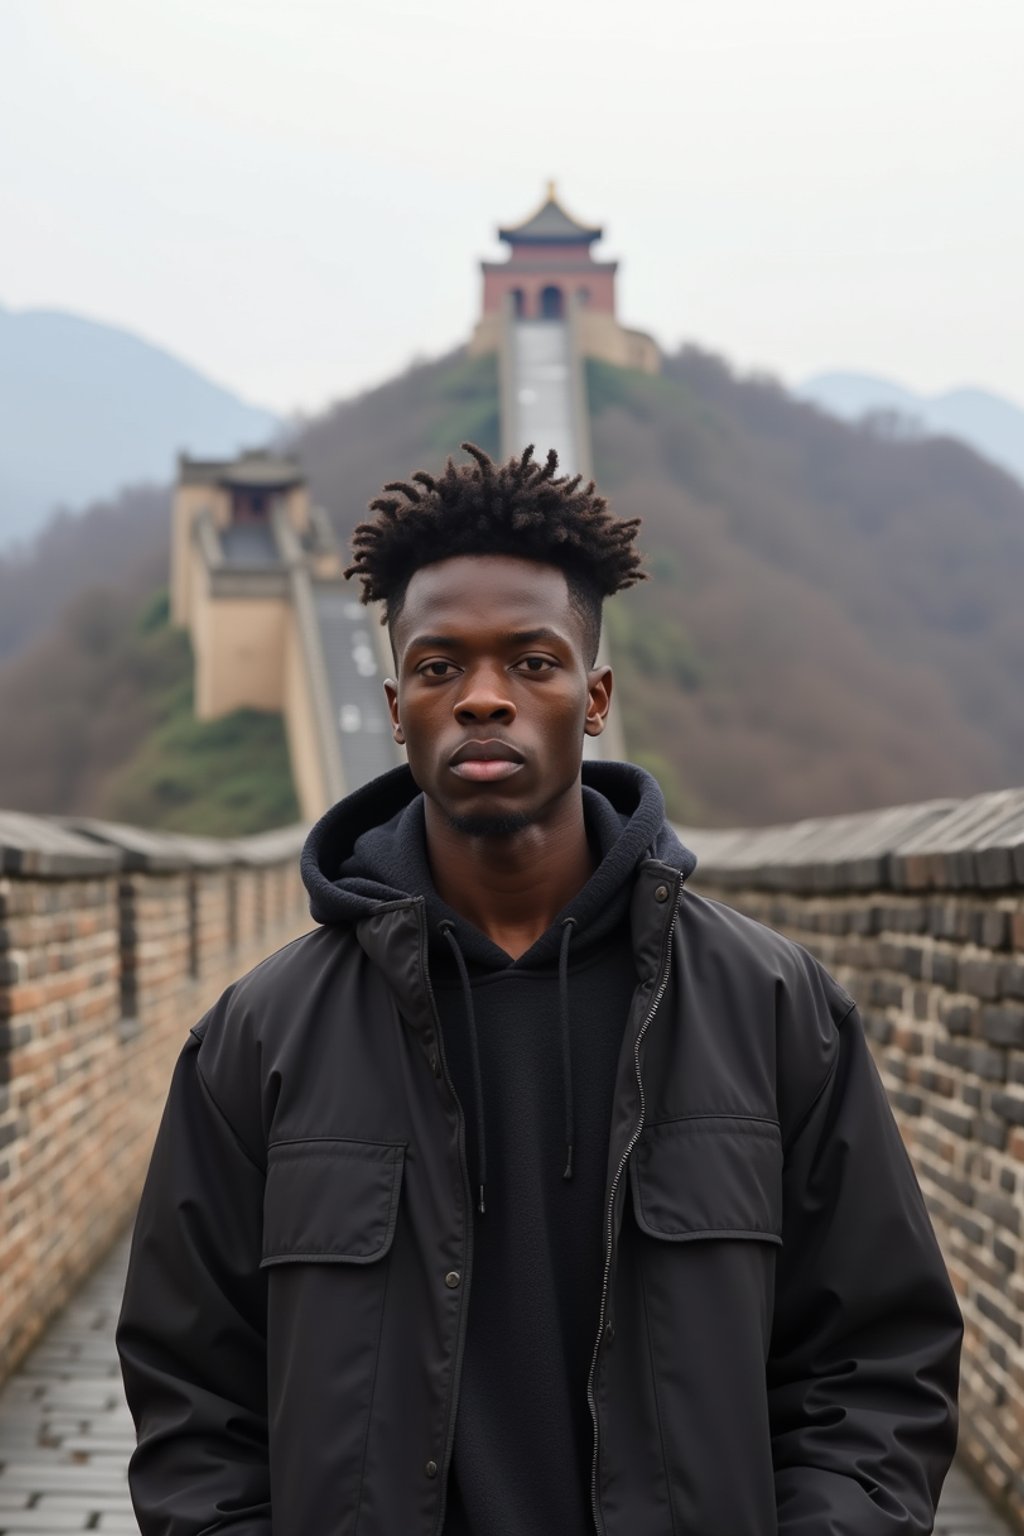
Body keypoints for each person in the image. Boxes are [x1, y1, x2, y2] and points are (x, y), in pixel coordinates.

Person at [117, 442, 962, 1536]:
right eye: (438, 668)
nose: (482, 699)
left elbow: (879, 1363)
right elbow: (193, 1404)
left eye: (530, 661)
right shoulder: (259, 1040)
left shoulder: (771, 1009)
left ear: (595, 694)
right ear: (393, 704)